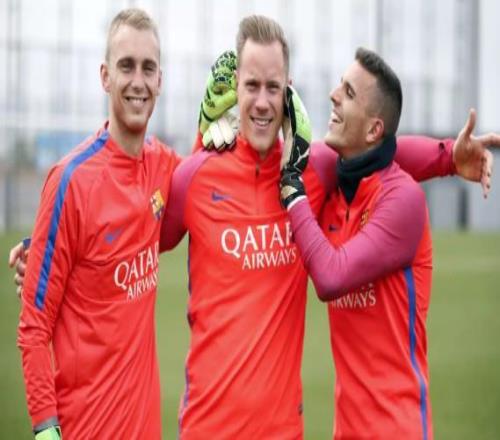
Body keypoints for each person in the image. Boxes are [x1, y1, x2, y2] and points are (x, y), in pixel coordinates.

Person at [9, 14, 498, 439]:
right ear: (234, 89)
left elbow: (377, 151)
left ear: (288, 91)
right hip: (206, 428)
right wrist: (47, 251)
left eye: (273, 87)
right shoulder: (193, 176)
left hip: (283, 429)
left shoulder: (309, 170)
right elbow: (131, 227)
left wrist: (447, 158)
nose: (262, 101)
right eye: (251, 86)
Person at [279, 47, 497, 439]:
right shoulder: (337, 183)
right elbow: (383, 151)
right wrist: (447, 155)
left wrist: (293, 196)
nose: (333, 95)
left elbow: (330, 278)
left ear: (373, 130)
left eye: (348, 92)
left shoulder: (403, 201)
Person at [14, 8, 180, 439]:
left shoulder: (164, 166)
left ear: (160, 80)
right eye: (126, 66)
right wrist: (45, 430)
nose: (138, 81)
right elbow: (33, 328)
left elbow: (212, 184)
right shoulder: (70, 181)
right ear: (105, 76)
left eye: (148, 68)